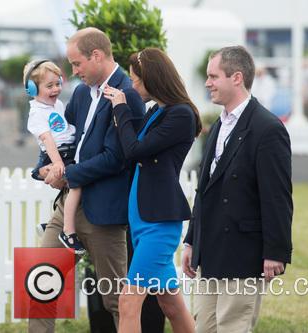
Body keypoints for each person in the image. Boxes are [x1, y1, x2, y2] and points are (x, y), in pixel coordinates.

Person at [28, 27, 144, 332]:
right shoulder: (80, 93)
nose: (73, 71)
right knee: (40, 286)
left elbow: (115, 158)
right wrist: (43, 169)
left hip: (104, 214)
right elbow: (63, 140)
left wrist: (66, 175)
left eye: (77, 64)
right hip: (67, 206)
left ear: (97, 56)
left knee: (118, 300)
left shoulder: (127, 95)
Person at [182, 46, 293, 333]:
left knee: (233, 327)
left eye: (213, 76)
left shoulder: (268, 128)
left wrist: (276, 251)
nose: (207, 83)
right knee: (204, 327)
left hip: (243, 254)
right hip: (211, 251)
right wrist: (192, 240)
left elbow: (277, 196)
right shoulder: (219, 124)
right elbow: (205, 189)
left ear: (237, 78)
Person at [104, 47, 202, 333]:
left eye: (136, 80)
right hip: (143, 219)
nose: (132, 86)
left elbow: (133, 149)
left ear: (153, 78)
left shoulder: (180, 115)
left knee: (128, 301)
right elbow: (130, 147)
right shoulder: (156, 112)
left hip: (158, 224)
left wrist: (121, 109)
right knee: (170, 304)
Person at [23, 59, 86, 254]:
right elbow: (47, 139)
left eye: (58, 83)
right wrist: (57, 162)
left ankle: (50, 224)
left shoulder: (56, 104)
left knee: (69, 189)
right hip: (55, 155)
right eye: (49, 86)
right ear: (33, 89)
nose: (55, 89)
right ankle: (67, 231)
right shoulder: (36, 112)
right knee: (76, 185)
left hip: (66, 152)